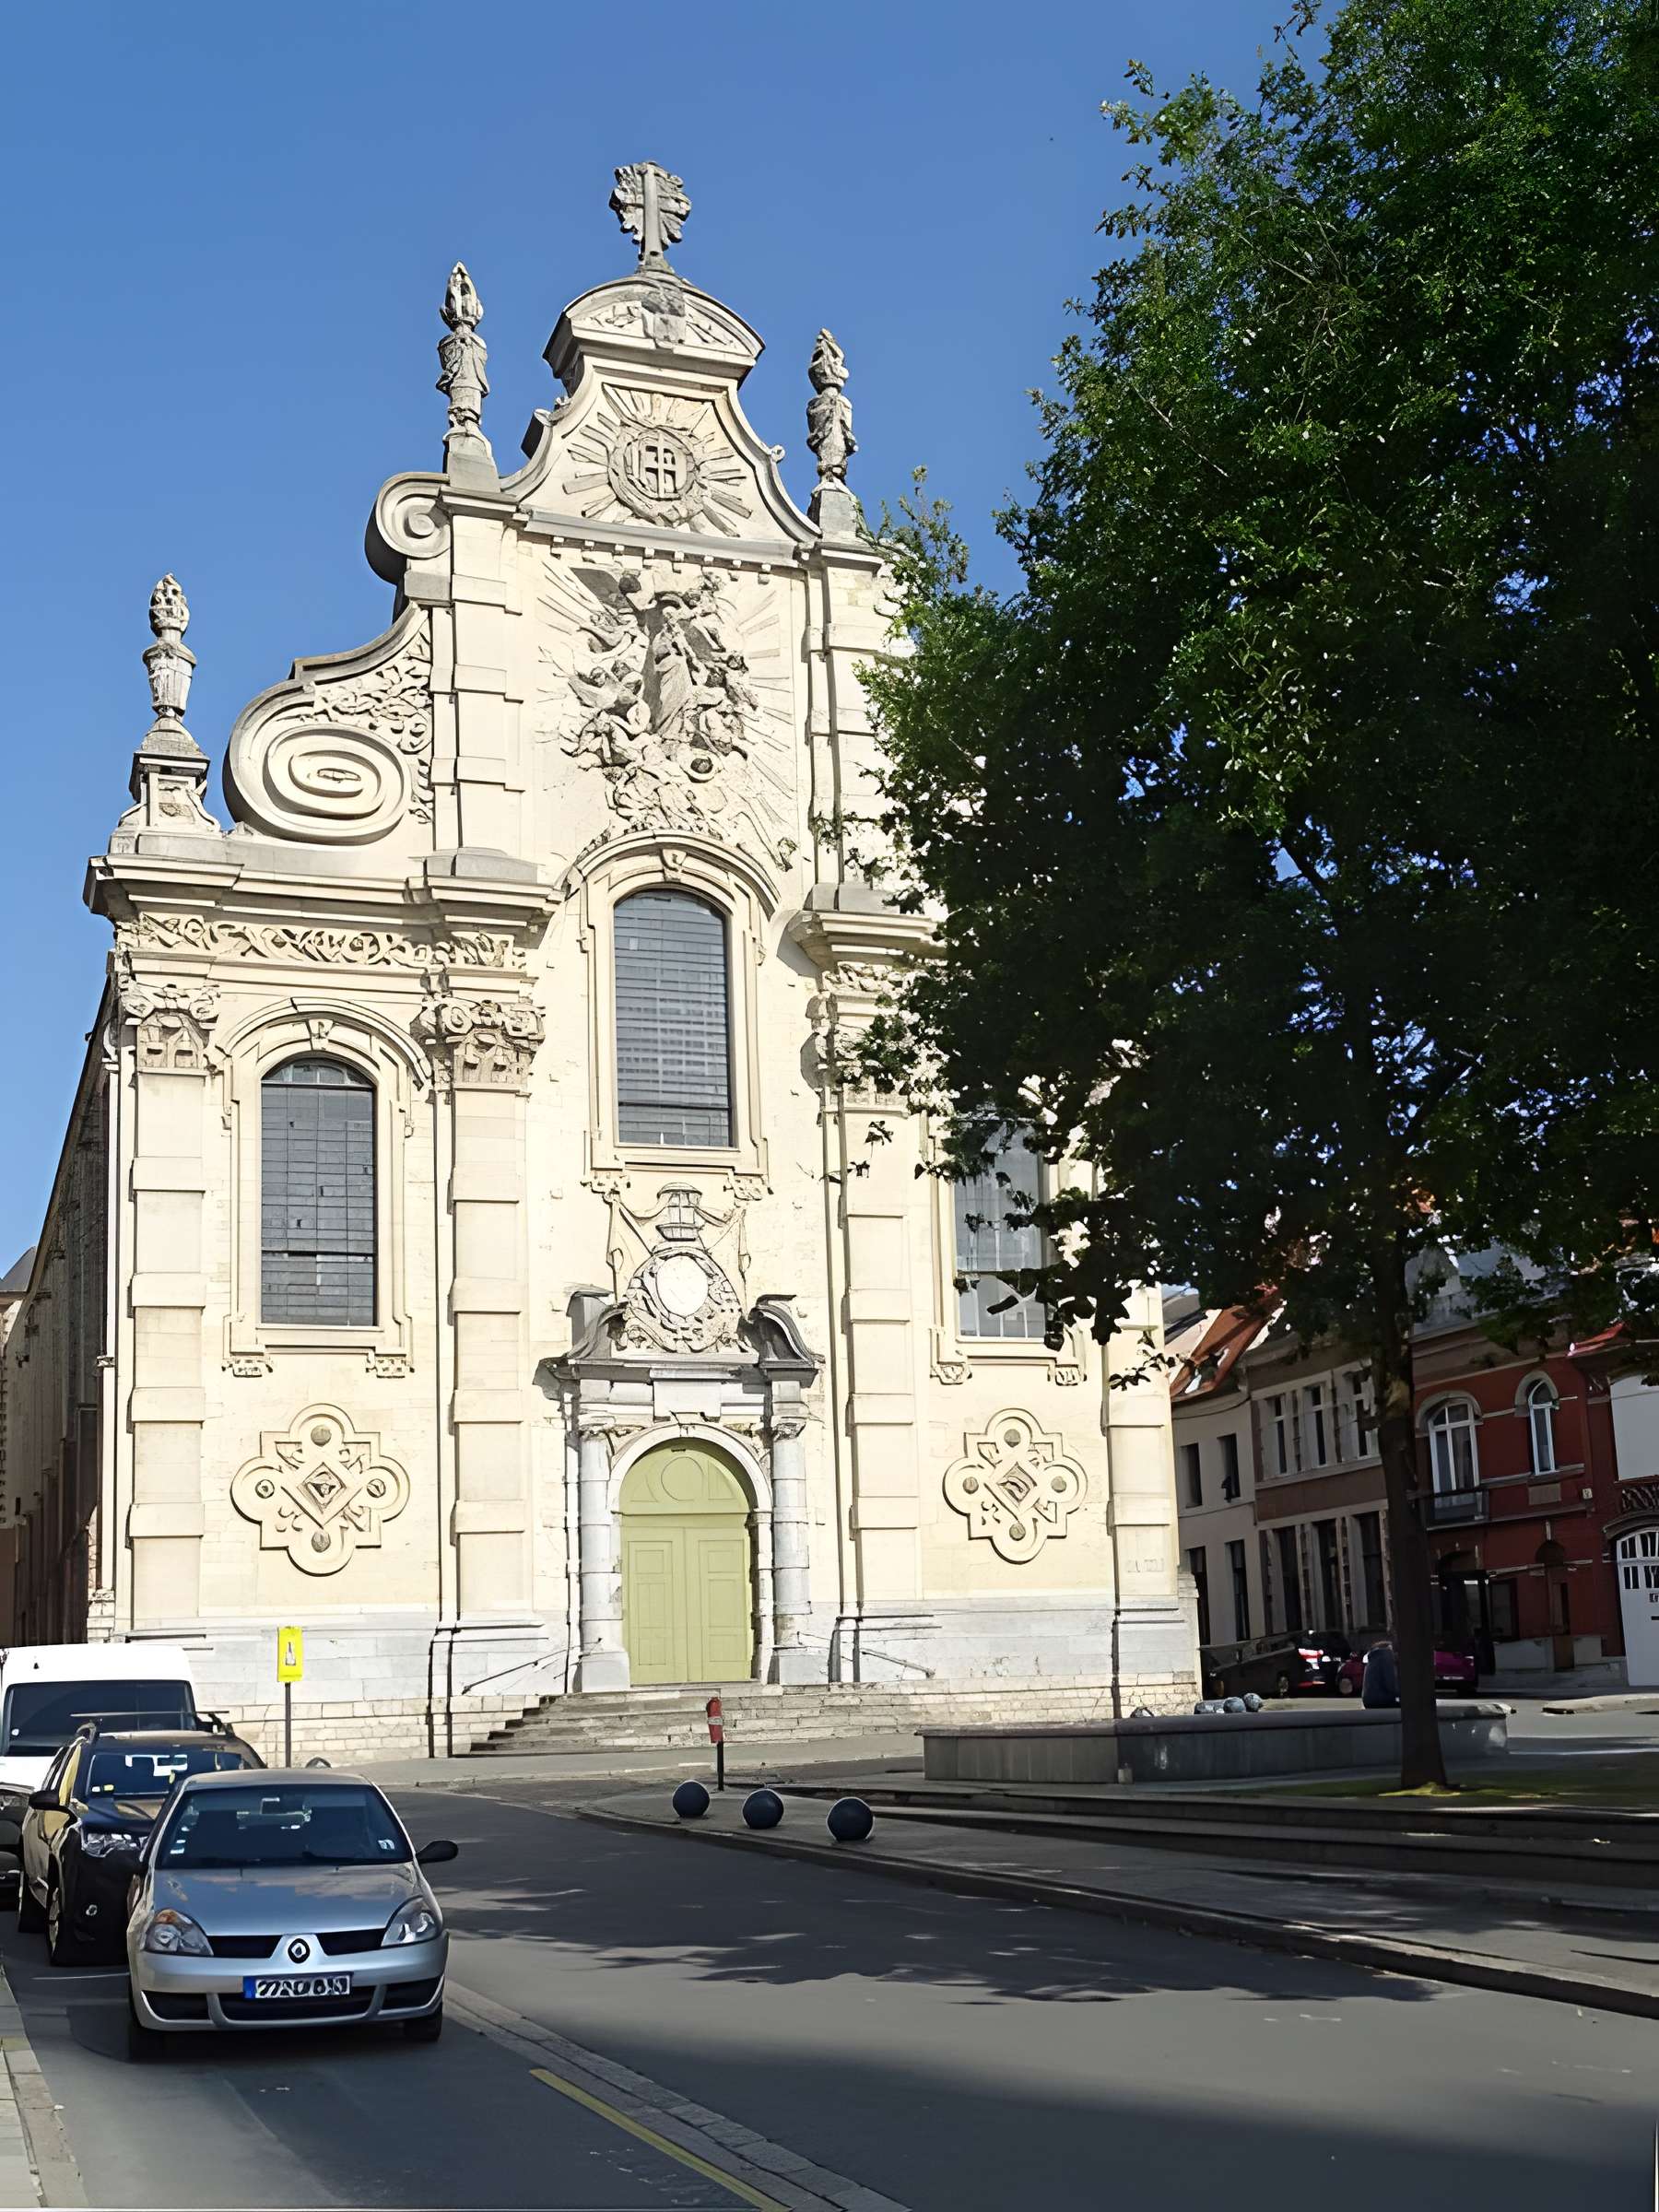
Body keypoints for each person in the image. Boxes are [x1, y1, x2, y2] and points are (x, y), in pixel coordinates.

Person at [1360, 1637, 1400, 1708]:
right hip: (1380, 1701)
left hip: (1368, 1700)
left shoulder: (1374, 1658)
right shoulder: (1386, 1656)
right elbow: (1390, 1685)